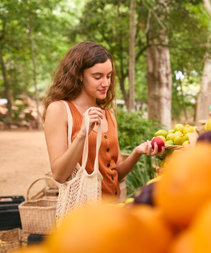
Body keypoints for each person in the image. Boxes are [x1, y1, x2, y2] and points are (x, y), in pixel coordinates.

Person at [42, 41, 164, 199]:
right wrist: (83, 133)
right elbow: (59, 174)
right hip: (83, 215)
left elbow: (115, 174)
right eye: (97, 77)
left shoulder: (108, 115)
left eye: (109, 76)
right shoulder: (59, 110)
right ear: (79, 75)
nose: (106, 83)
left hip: (112, 210)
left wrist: (137, 152)